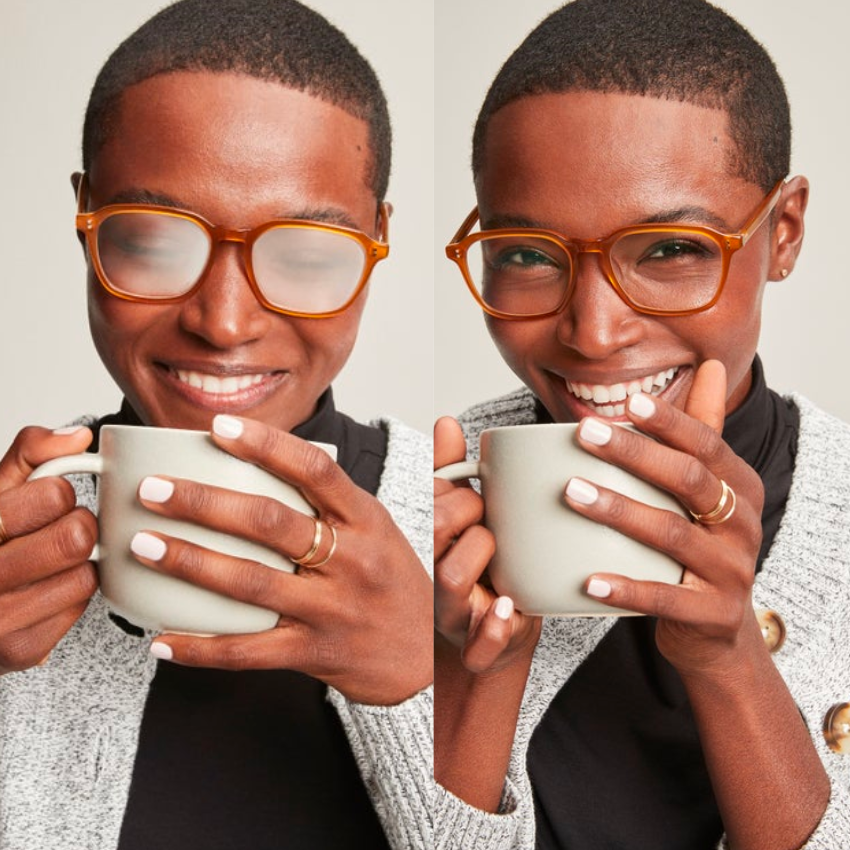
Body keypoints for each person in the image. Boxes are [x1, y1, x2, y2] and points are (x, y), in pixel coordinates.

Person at [0, 2, 432, 848]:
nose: (225, 322)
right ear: (87, 218)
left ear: (378, 239)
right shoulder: (18, 538)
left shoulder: (483, 530)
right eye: (155, 240)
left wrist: (427, 685)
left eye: (306, 249)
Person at [433, 1, 850, 848]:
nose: (593, 332)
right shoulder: (408, 504)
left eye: (668, 249)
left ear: (785, 231)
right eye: (527, 254)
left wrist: (728, 654)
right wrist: (473, 677)